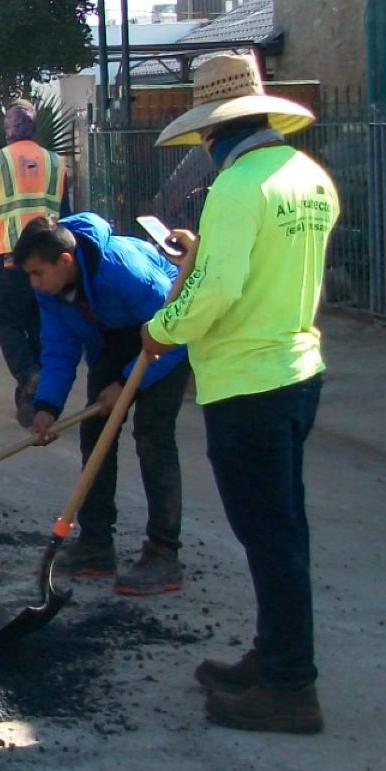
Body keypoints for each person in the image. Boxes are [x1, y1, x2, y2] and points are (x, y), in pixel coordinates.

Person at [138, 53, 337, 735]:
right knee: (284, 528)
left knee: (268, 534)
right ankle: (276, 653)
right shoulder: (308, 179)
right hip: (297, 369)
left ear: (218, 132)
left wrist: (162, 327)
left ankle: (290, 685)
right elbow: (253, 269)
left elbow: (215, 292)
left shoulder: (236, 188)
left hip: (248, 385)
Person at [14, 213, 191, 595]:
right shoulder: (51, 292)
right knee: (95, 433)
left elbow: (178, 330)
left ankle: (164, 553)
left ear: (64, 261)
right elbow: (60, 349)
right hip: (112, 338)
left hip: (166, 333)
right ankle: (96, 545)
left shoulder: (125, 269)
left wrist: (127, 382)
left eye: (37, 273)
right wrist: (47, 407)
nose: (34, 284)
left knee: (153, 436)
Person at [0, 99, 69, 427]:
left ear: (7, 128)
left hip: (10, 259)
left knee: (6, 321)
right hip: (51, 261)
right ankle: (31, 399)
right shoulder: (56, 163)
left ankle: (29, 375)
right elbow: (65, 215)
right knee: (41, 328)